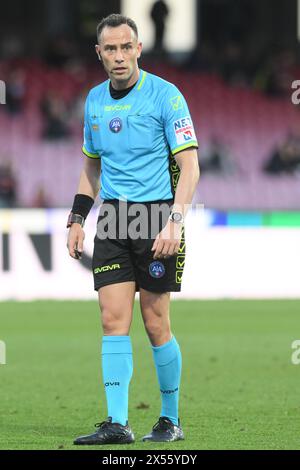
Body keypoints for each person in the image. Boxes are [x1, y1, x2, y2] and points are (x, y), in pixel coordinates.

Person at [67, 13, 199, 445]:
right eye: (110, 49)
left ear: (138, 48)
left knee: (155, 321)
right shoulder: (94, 101)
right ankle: (118, 424)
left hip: (157, 216)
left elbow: (189, 165)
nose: (119, 56)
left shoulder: (166, 96)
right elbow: (92, 166)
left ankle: (169, 419)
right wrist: (76, 219)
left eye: (127, 47)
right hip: (114, 218)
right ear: (99, 54)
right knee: (111, 320)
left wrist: (175, 223)